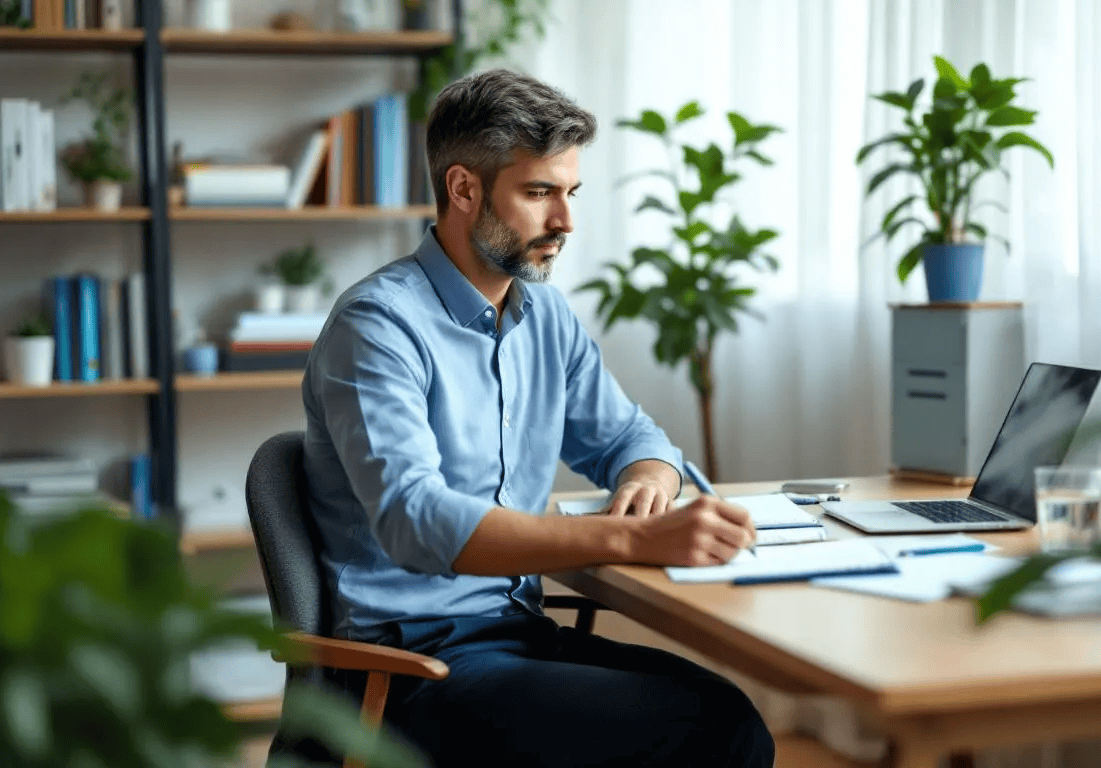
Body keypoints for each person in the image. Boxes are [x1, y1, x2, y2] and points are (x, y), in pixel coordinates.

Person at [300, 68, 774, 767]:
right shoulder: (378, 326)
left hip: (514, 631)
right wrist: (624, 541)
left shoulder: (543, 315)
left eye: (570, 191)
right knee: (710, 729)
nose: (566, 221)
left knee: (734, 717)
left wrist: (650, 478)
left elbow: (631, 435)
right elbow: (415, 517)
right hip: (407, 669)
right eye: (539, 193)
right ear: (463, 189)